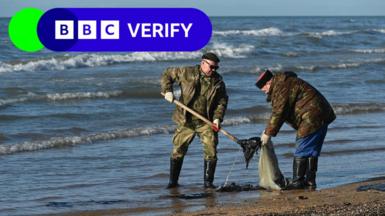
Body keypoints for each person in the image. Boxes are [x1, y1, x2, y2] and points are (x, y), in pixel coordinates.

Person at [254, 70, 336, 189]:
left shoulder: (281, 86)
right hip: (321, 113)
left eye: (264, 88)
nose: (265, 91)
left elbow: (279, 112)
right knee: (311, 150)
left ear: (269, 81)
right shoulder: (285, 83)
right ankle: (309, 181)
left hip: (311, 116)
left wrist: (268, 134)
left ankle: (298, 181)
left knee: (302, 147)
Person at [160, 52, 228, 188]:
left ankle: (208, 184)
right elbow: (167, 74)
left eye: (216, 68)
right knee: (178, 150)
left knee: (211, 150)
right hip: (186, 120)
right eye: (212, 67)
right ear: (203, 63)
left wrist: (217, 119)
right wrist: (168, 90)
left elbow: (222, 101)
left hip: (206, 121)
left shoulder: (218, 81)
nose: (213, 70)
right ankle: (173, 183)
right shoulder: (186, 72)